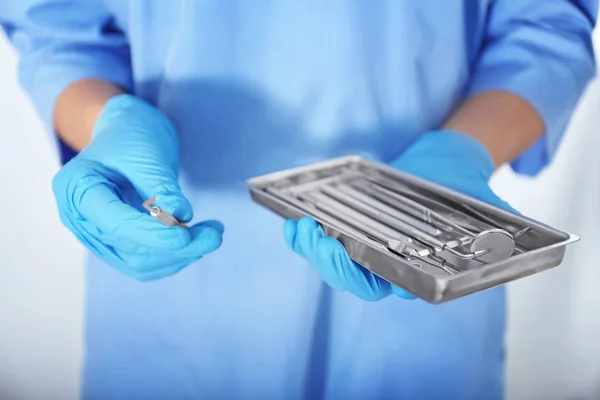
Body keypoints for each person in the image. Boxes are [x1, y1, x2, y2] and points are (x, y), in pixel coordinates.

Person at [0, 1, 596, 399]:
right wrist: (107, 122)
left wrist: (461, 153)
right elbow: (59, 28)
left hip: (414, 286)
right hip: (177, 311)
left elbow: (543, 28)